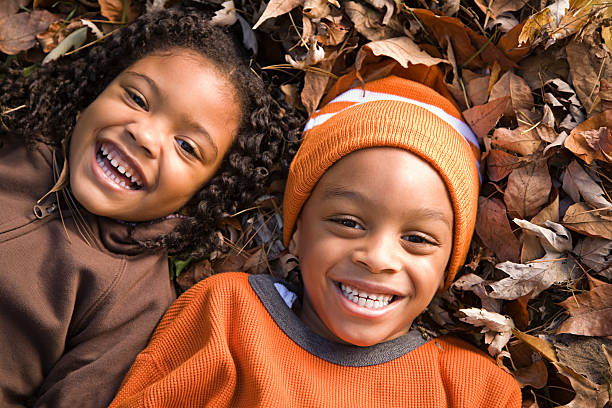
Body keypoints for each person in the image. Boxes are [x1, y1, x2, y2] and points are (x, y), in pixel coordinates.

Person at [109, 75, 522, 407]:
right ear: (298, 230)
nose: (378, 259)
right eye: (347, 222)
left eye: (417, 238)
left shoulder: (473, 391)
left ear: (451, 262)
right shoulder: (227, 318)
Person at [0, 5, 299, 407]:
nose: (145, 136)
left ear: (205, 192)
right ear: (99, 88)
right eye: (138, 98)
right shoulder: (14, 137)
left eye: (187, 147)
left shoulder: (134, 300)